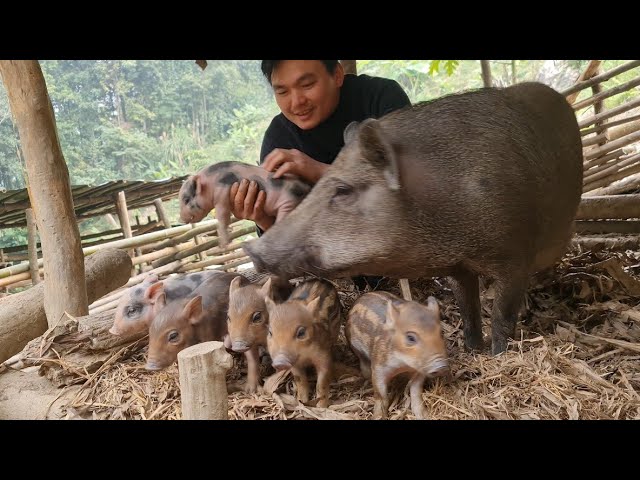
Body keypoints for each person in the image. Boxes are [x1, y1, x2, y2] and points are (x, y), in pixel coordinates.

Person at [229, 60, 411, 290]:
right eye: (282, 91)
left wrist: (318, 171)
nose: (296, 102)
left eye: (306, 84)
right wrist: (260, 216)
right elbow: (290, 243)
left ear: (336, 74)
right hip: (343, 278)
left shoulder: (381, 98)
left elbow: (407, 183)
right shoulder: (278, 139)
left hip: (407, 258)